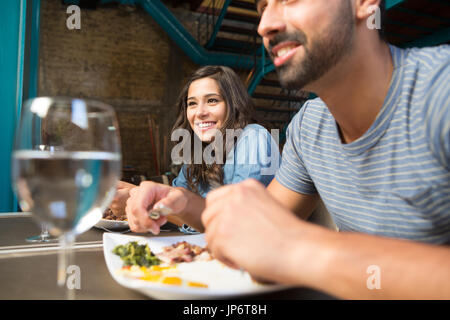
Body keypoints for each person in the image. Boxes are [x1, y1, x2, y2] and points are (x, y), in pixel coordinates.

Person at [127, 0, 450, 299]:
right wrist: (181, 203)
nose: (264, 24)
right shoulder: (308, 127)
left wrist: (301, 248)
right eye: (263, 6)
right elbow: (254, 230)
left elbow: (286, 243)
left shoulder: (440, 89)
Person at [113, 65, 280, 233]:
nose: (199, 112)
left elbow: (235, 222)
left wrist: (147, 201)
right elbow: (175, 209)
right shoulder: (198, 150)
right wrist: (140, 201)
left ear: (234, 104)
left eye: (212, 100)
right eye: (192, 103)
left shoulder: (254, 137)